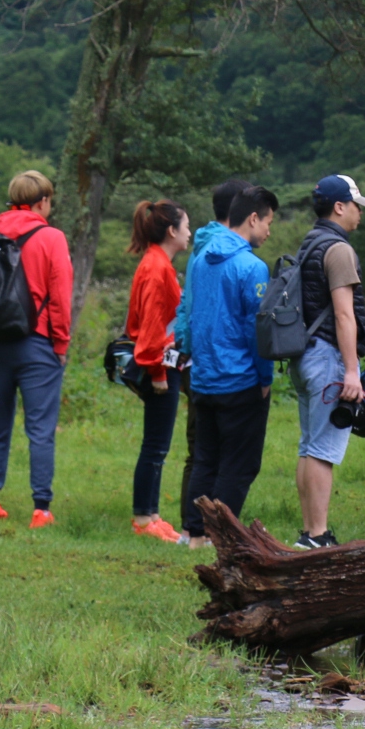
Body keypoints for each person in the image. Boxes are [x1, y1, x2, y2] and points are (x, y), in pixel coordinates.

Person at [0, 170, 73, 528]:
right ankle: (41, 510)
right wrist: (60, 343)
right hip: (37, 344)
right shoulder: (51, 237)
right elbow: (60, 296)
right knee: (40, 429)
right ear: (42, 201)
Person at [182, 185, 277, 546]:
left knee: (206, 459)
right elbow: (258, 330)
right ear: (253, 219)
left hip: (204, 377)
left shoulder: (201, 257)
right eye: (268, 221)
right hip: (240, 381)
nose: (269, 230)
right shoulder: (251, 266)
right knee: (239, 464)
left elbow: (191, 313)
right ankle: (220, 537)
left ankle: (194, 534)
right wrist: (264, 377)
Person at [291, 174, 365, 550]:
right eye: (356, 205)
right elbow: (344, 315)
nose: (360, 213)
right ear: (339, 206)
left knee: (309, 446)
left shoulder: (310, 242)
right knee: (323, 449)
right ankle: (319, 534)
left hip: (305, 355)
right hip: (328, 358)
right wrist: (352, 371)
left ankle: (309, 531)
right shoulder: (338, 249)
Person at [175, 179, 253, 539]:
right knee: (217, 453)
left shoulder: (200, 248)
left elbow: (186, 305)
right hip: (221, 367)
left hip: (196, 359)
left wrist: (186, 348)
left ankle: (194, 528)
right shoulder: (229, 254)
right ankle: (207, 529)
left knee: (202, 451)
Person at [124, 199, 190, 542]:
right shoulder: (157, 267)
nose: (189, 233)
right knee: (155, 446)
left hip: (161, 364)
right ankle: (142, 518)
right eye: (186, 226)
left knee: (157, 446)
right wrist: (158, 373)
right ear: (172, 231)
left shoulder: (157, 262)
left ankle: (151, 514)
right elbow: (151, 326)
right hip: (158, 367)